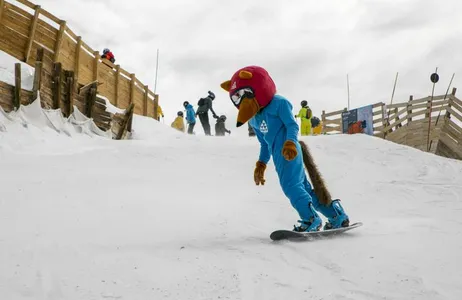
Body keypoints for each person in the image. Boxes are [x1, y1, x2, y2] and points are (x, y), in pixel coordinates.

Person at [220, 65, 350, 232]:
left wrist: (289, 143)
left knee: (291, 186)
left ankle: (310, 219)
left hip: (290, 151)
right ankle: (336, 215)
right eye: (237, 98)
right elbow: (264, 144)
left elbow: (292, 125)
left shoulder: (279, 103)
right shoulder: (253, 119)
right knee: (304, 189)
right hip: (278, 155)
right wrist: (261, 164)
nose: (241, 101)